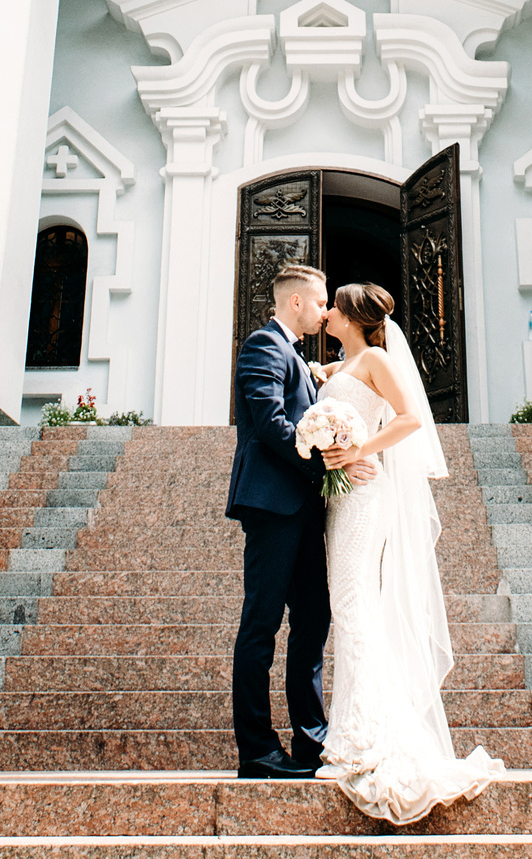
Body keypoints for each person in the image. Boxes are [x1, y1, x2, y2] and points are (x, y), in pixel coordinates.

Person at [309, 281, 505, 824]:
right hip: (343, 496)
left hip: (366, 493)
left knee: (350, 604)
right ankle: (356, 731)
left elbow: (410, 417)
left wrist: (357, 449)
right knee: (352, 605)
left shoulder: (375, 357)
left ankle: (363, 740)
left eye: (334, 306)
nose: (326, 313)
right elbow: (336, 392)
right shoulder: (344, 365)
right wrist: (320, 380)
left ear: (351, 316)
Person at [226, 262, 374, 779]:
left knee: (313, 621)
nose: (325, 311)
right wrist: (327, 458)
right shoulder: (263, 345)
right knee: (261, 625)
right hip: (272, 506)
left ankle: (311, 743)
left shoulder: (301, 357)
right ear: (296, 303)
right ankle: (258, 750)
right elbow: (269, 422)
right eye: (319, 303)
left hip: (307, 508)